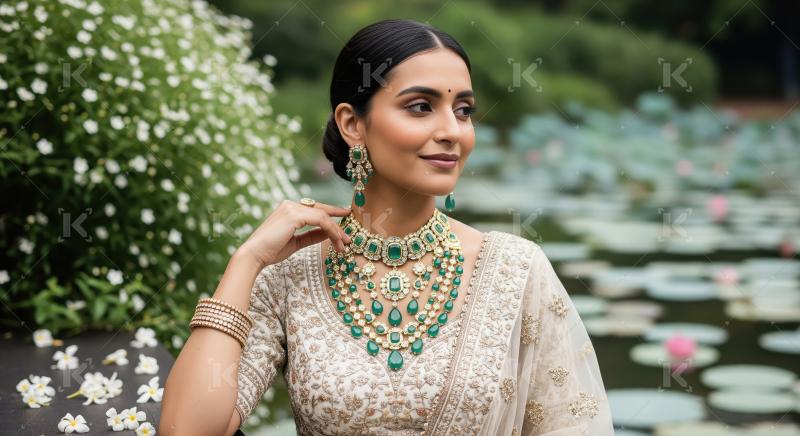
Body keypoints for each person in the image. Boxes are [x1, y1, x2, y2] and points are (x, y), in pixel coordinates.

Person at [160, 18, 614, 436]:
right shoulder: (288, 274)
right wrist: (247, 260)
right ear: (353, 124)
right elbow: (187, 431)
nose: (452, 130)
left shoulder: (516, 270)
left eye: (463, 109)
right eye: (420, 107)